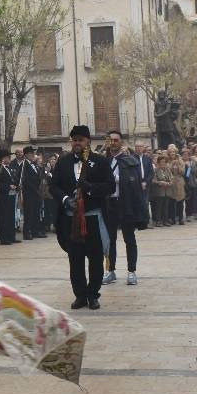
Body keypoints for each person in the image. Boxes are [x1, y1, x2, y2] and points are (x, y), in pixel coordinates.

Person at [51, 126, 114, 309]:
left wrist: (90, 188)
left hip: (92, 218)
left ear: (88, 142)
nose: (77, 143)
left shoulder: (100, 161)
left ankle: (93, 294)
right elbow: (53, 186)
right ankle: (80, 295)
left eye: (81, 139)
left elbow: (110, 186)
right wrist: (64, 199)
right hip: (71, 220)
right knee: (75, 260)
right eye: (74, 139)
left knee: (95, 259)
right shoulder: (63, 162)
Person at [103, 130, 145, 286]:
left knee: (129, 239)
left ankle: (131, 271)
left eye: (115, 140)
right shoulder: (103, 161)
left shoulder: (129, 160)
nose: (113, 142)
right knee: (109, 241)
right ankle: (111, 271)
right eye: (110, 140)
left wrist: (118, 179)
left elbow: (135, 182)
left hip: (125, 204)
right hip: (109, 205)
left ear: (120, 142)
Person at [0, 150, 18, 245]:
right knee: (4, 218)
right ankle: (4, 238)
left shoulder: (10, 168)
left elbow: (13, 180)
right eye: (8, 157)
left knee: (11, 217)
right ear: (3, 159)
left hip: (11, 195)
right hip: (2, 197)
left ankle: (11, 236)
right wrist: (8, 186)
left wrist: (15, 185)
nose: (10, 158)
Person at [20, 147, 43, 240]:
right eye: (30, 153)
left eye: (33, 153)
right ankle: (27, 232)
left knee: (36, 212)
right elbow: (25, 180)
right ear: (25, 155)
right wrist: (34, 189)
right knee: (29, 213)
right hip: (29, 193)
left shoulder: (34, 164)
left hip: (36, 192)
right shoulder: (24, 165)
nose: (33, 154)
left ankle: (35, 231)